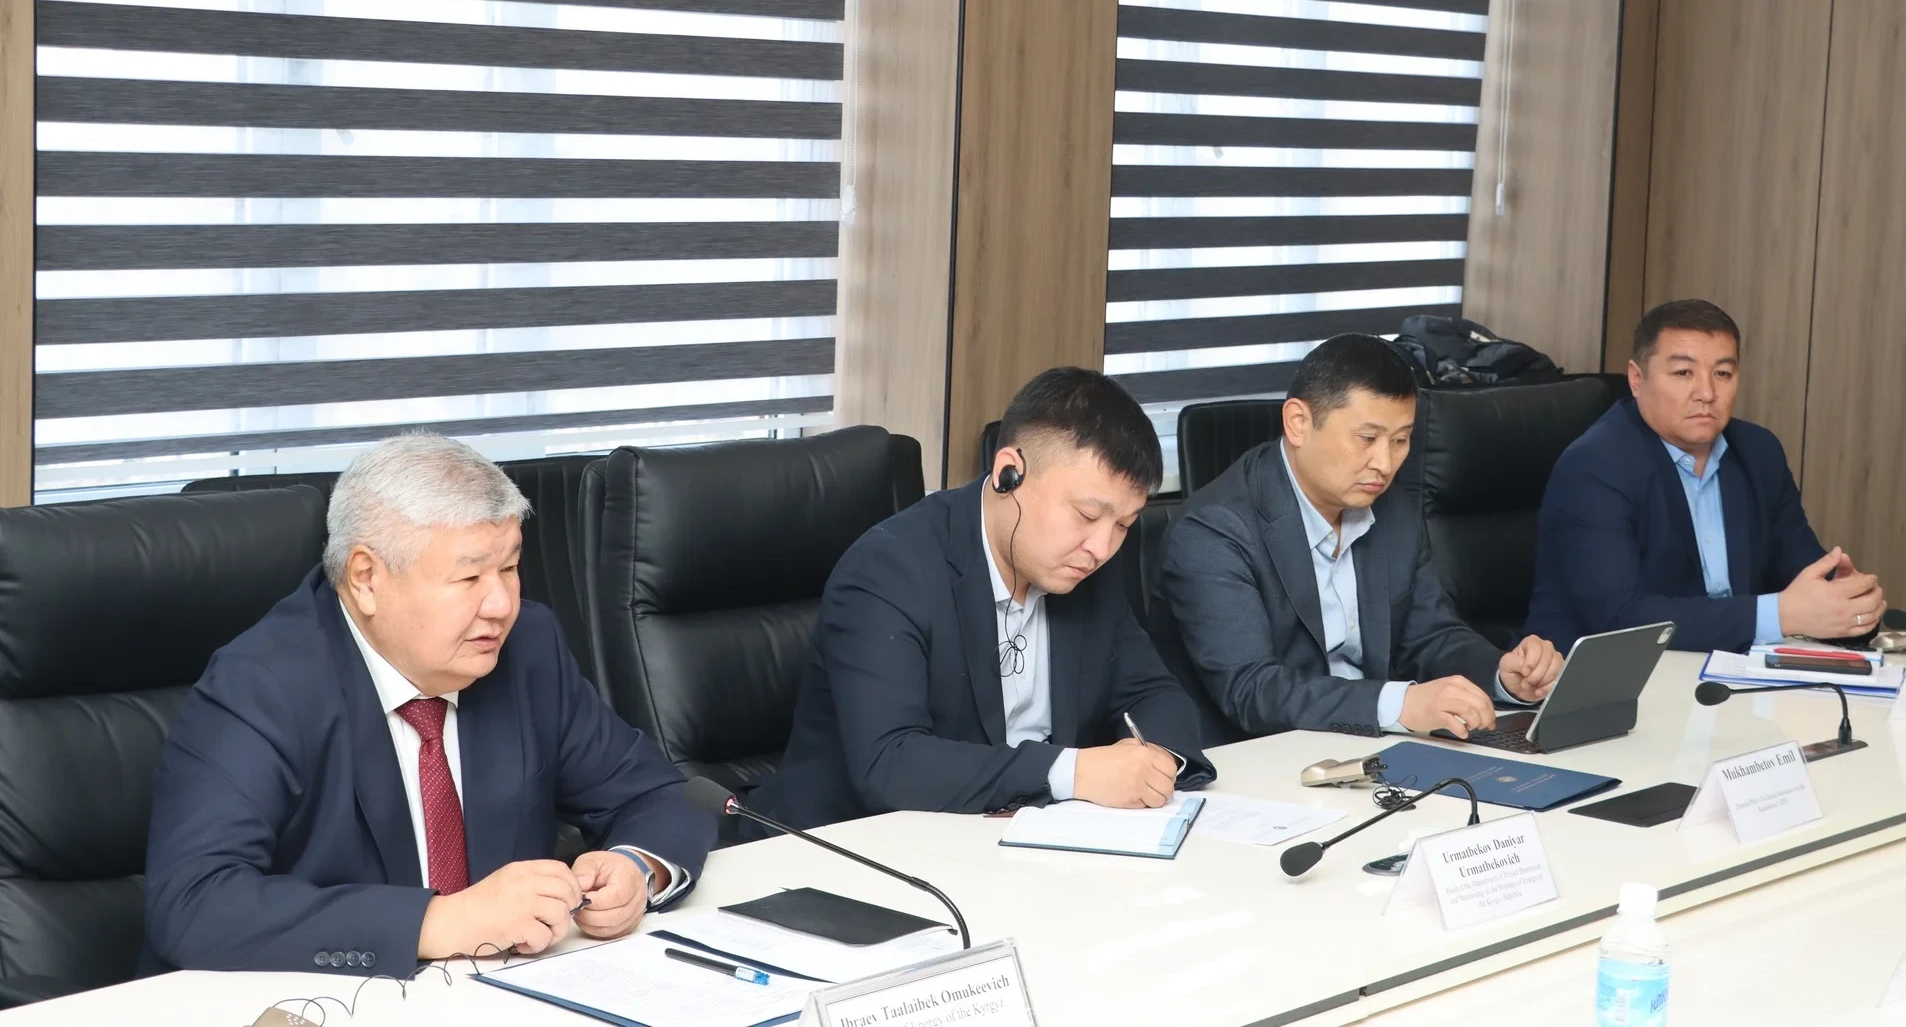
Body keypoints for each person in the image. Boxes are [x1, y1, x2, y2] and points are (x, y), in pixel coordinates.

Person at [144, 433, 714, 975]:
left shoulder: (526, 647)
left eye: (510, 568)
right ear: (366, 578)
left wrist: (637, 867)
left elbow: (657, 794)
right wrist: (441, 922)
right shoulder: (262, 684)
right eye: (469, 578)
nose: (501, 604)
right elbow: (193, 902)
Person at [751, 367, 1215, 830]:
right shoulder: (888, 570)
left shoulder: (1086, 567)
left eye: (1124, 525)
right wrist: (1073, 772)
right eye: (1086, 514)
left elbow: (1153, 693)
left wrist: (1154, 760)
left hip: (1018, 840)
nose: (1102, 547)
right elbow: (890, 762)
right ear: (1009, 472)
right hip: (857, 842)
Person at [1160, 334, 1565, 741]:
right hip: (1264, 754)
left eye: (1401, 440)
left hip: (1370, 746)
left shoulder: (1391, 507)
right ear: (1298, 423)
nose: (1384, 464)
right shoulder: (1214, 530)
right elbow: (1252, 690)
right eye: (1367, 439)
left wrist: (1501, 674)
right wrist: (1398, 705)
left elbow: (1429, 637)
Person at [1524, 299, 1886, 653]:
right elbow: (1620, 618)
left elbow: (1805, 574)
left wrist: (1848, 604)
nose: (1707, 393)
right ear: (1636, 379)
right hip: (1608, 679)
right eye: (1683, 373)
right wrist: (1778, 615)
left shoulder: (1757, 452)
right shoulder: (1594, 466)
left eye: (1722, 374)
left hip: (1728, 673)